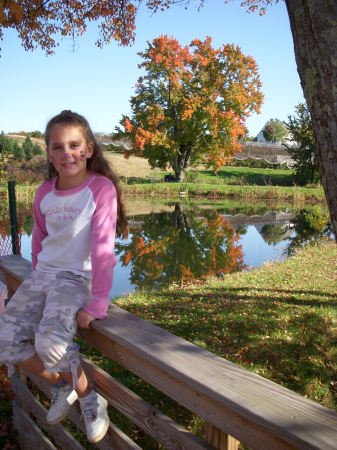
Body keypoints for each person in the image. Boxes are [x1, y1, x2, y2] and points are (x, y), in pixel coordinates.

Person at [0, 110, 128, 444]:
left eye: (74, 145)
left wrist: (98, 302)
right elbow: (40, 241)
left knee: (50, 344)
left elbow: (102, 251)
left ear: (88, 149)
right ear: (48, 153)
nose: (66, 152)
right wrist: (37, 285)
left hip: (74, 280)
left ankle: (88, 398)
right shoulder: (43, 193)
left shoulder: (100, 189)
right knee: (4, 342)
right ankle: (71, 387)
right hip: (42, 277)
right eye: (58, 147)